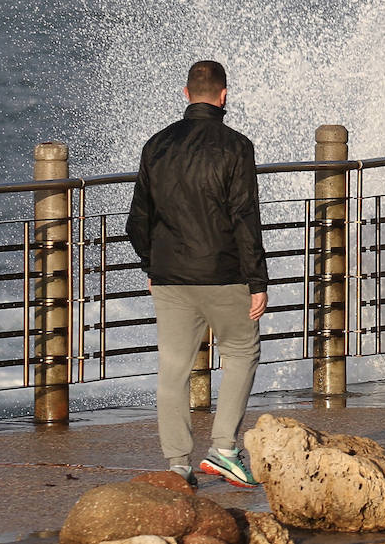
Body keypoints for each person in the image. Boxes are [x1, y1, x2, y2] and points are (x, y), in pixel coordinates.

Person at [126, 60, 267, 488]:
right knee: (242, 353)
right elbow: (244, 217)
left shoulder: (156, 145)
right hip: (224, 274)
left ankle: (177, 464)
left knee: (173, 368)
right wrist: (257, 282)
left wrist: (154, 266)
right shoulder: (236, 146)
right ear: (223, 96)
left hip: (170, 277)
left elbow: (137, 222)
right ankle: (224, 449)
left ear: (186, 94)